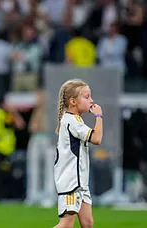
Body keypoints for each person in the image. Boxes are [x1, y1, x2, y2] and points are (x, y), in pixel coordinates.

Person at [53, 79, 104, 228]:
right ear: (73, 102)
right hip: (71, 182)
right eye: (87, 97)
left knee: (87, 223)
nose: (91, 101)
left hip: (80, 182)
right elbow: (96, 138)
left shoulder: (75, 120)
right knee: (66, 224)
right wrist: (99, 117)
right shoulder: (72, 121)